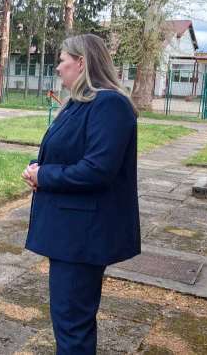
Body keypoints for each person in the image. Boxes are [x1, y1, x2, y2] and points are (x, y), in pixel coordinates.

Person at [23, 34, 140, 355]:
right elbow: (68, 153)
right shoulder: (81, 102)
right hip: (69, 232)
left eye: (62, 60)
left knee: (73, 325)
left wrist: (44, 176)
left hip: (83, 237)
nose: (58, 67)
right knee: (69, 320)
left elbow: (98, 169)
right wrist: (36, 168)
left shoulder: (110, 104)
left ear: (81, 62)